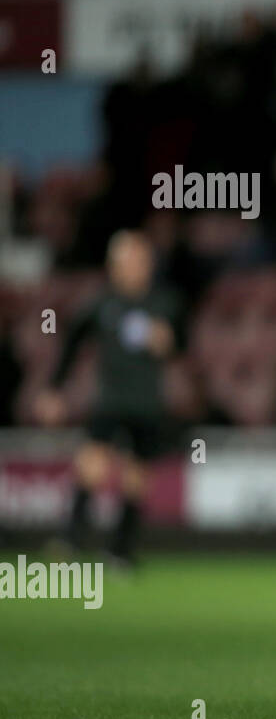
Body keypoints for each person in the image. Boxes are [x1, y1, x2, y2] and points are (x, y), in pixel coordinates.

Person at [34, 230, 184, 567]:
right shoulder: (101, 303)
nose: (135, 267)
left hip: (146, 402)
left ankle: (121, 549)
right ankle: (71, 541)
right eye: (127, 260)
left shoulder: (165, 302)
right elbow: (71, 345)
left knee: (137, 475)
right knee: (91, 465)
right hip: (110, 401)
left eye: (140, 260)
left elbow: (182, 343)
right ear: (113, 266)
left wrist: (168, 342)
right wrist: (54, 390)